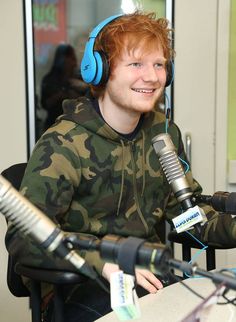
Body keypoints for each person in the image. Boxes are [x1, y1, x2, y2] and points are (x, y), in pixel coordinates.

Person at [5, 11, 236, 322]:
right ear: (99, 70)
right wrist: (102, 262)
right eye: (136, 64)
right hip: (79, 287)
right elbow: (25, 242)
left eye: (159, 64)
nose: (153, 77)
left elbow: (188, 216)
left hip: (149, 278)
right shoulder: (63, 144)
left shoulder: (164, 134)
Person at [41, 43, 89, 131]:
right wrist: (62, 94)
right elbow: (45, 104)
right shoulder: (49, 80)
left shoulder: (79, 79)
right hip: (53, 127)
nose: (75, 63)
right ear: (62, 60)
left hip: (77, 128)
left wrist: (85, 87)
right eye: (72, 59)